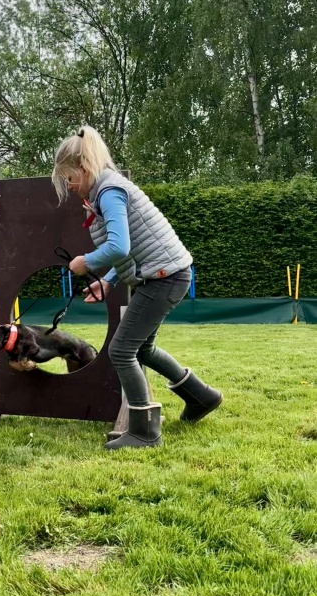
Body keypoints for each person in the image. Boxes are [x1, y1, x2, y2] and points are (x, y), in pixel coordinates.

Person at [51, 126, 222, 449]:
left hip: (165, 278)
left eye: (68, 178)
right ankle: (201, 396)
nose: (69, 187)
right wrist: (108, 281)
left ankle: (144, 432)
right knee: (142, 348)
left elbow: (119, 246)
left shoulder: (109, 192)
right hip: (164, 276)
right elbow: (130, 251)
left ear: (83, 168)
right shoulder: (104, 191)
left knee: (121, 350)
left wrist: (87, 262)